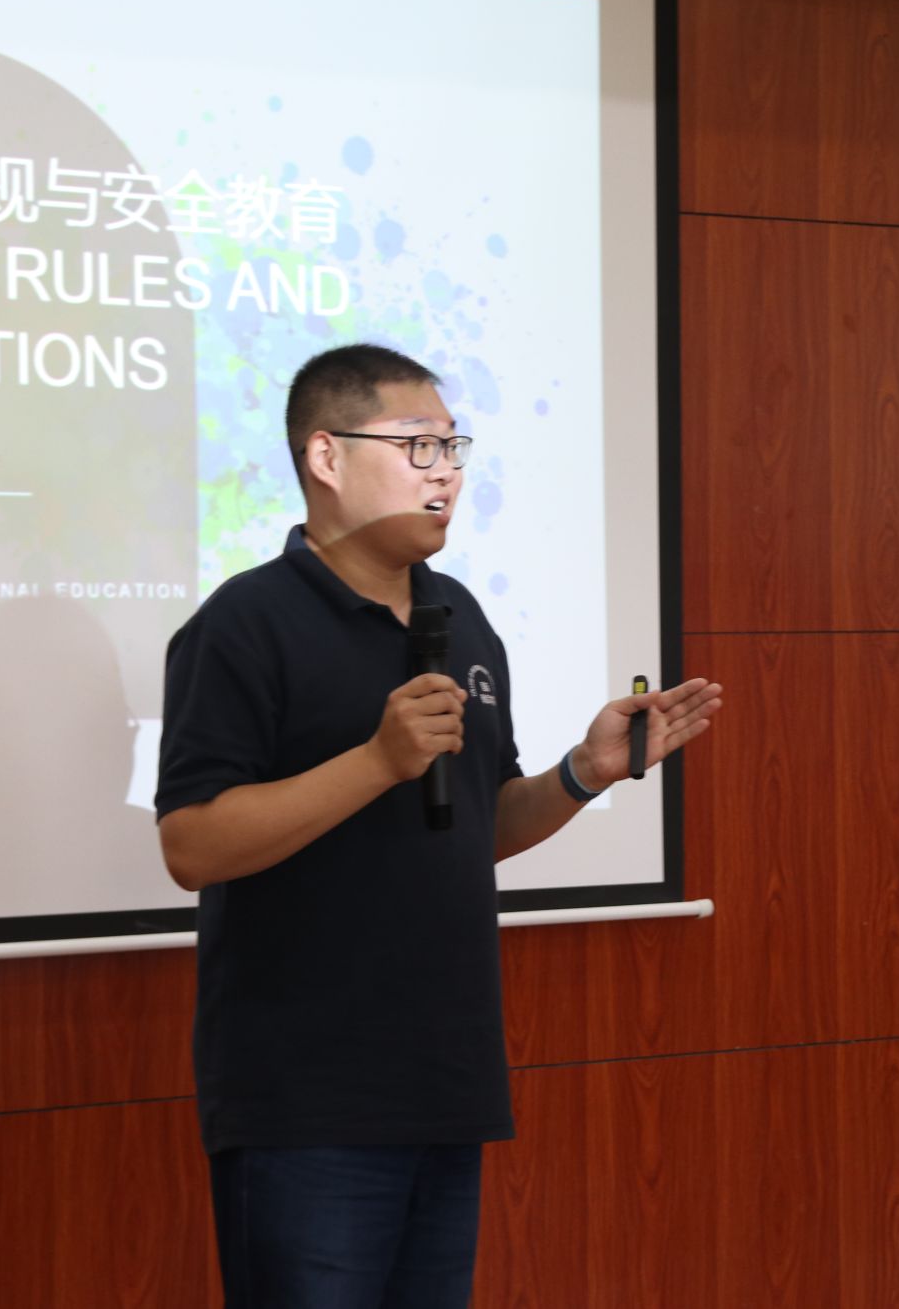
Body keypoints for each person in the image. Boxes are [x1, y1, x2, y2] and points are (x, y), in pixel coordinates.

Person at [155, 343, 723, 1308]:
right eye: (418, 445)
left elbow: (478, 824)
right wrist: (376, 760)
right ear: (326, 457)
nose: (447, 472)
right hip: (308, 1104)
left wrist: (583, 773)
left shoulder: (458, 617)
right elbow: (192, 844)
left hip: (445, 1083)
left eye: (453, 447)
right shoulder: (245, 623)